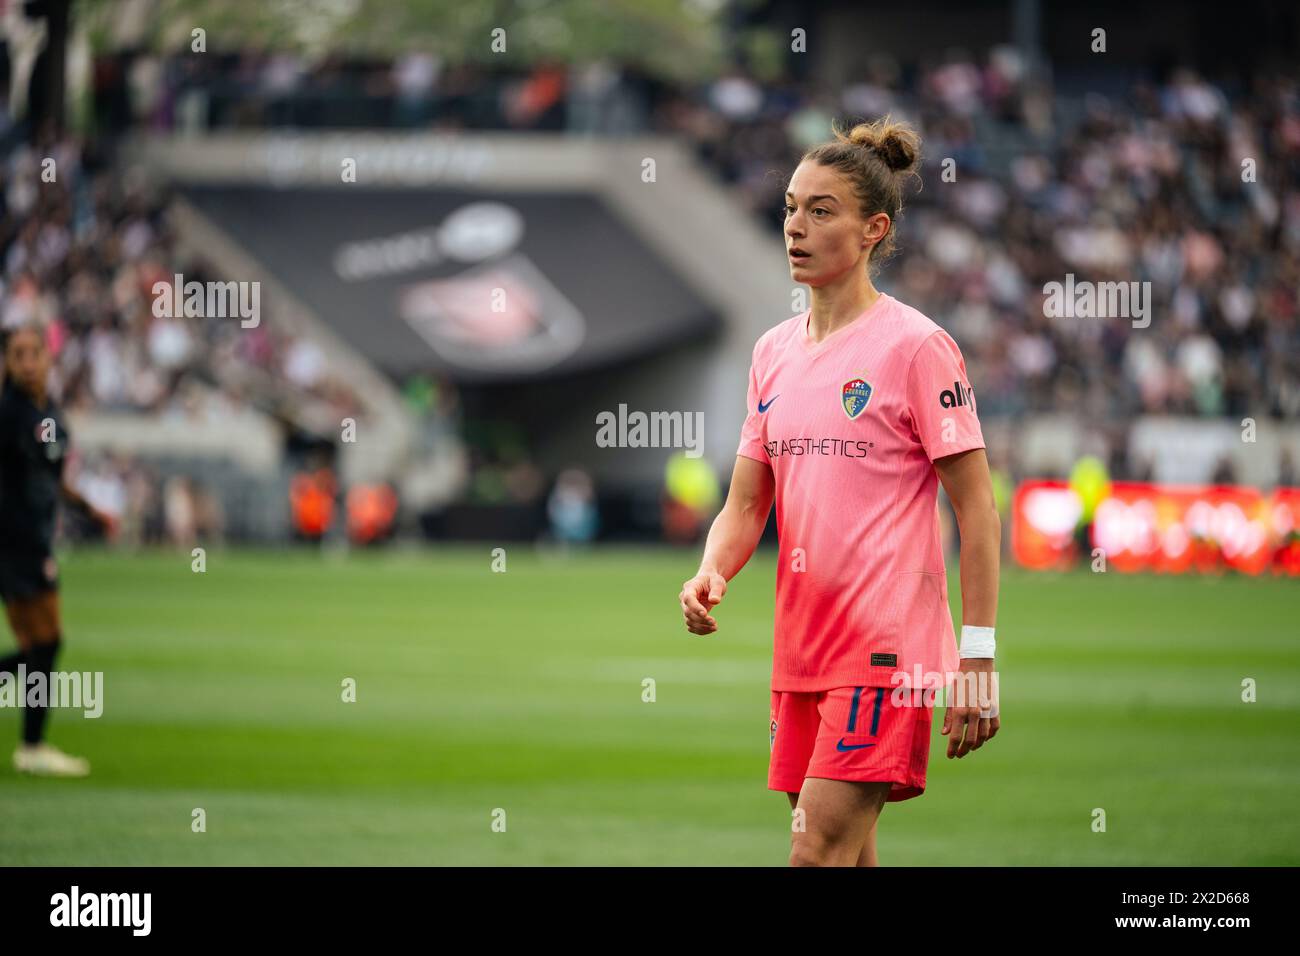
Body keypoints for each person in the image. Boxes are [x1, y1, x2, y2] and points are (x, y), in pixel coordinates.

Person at [678, 117, 1001, 866]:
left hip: (887, 653)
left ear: (872, 230)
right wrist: (711, 570)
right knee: (848, 857)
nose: (796, 225)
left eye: (821, 211)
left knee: (813, 852)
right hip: (801, 647)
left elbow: (977, 509)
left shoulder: (917, 346)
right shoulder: (771, 354)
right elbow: (747, 503)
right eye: (791, 206)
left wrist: (977, 661)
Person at [0, 322, 113, 776]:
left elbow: (50, 477)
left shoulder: (45, 413)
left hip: (32, 538)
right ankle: (32, 747)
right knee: (45, 643)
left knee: (38, 646)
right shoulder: (11, 414)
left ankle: (32, 746)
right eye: (18, 355)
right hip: (14, 541)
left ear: (49, 358)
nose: (28, 363)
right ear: (8, 363)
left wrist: (90, 507)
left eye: (34, 353)